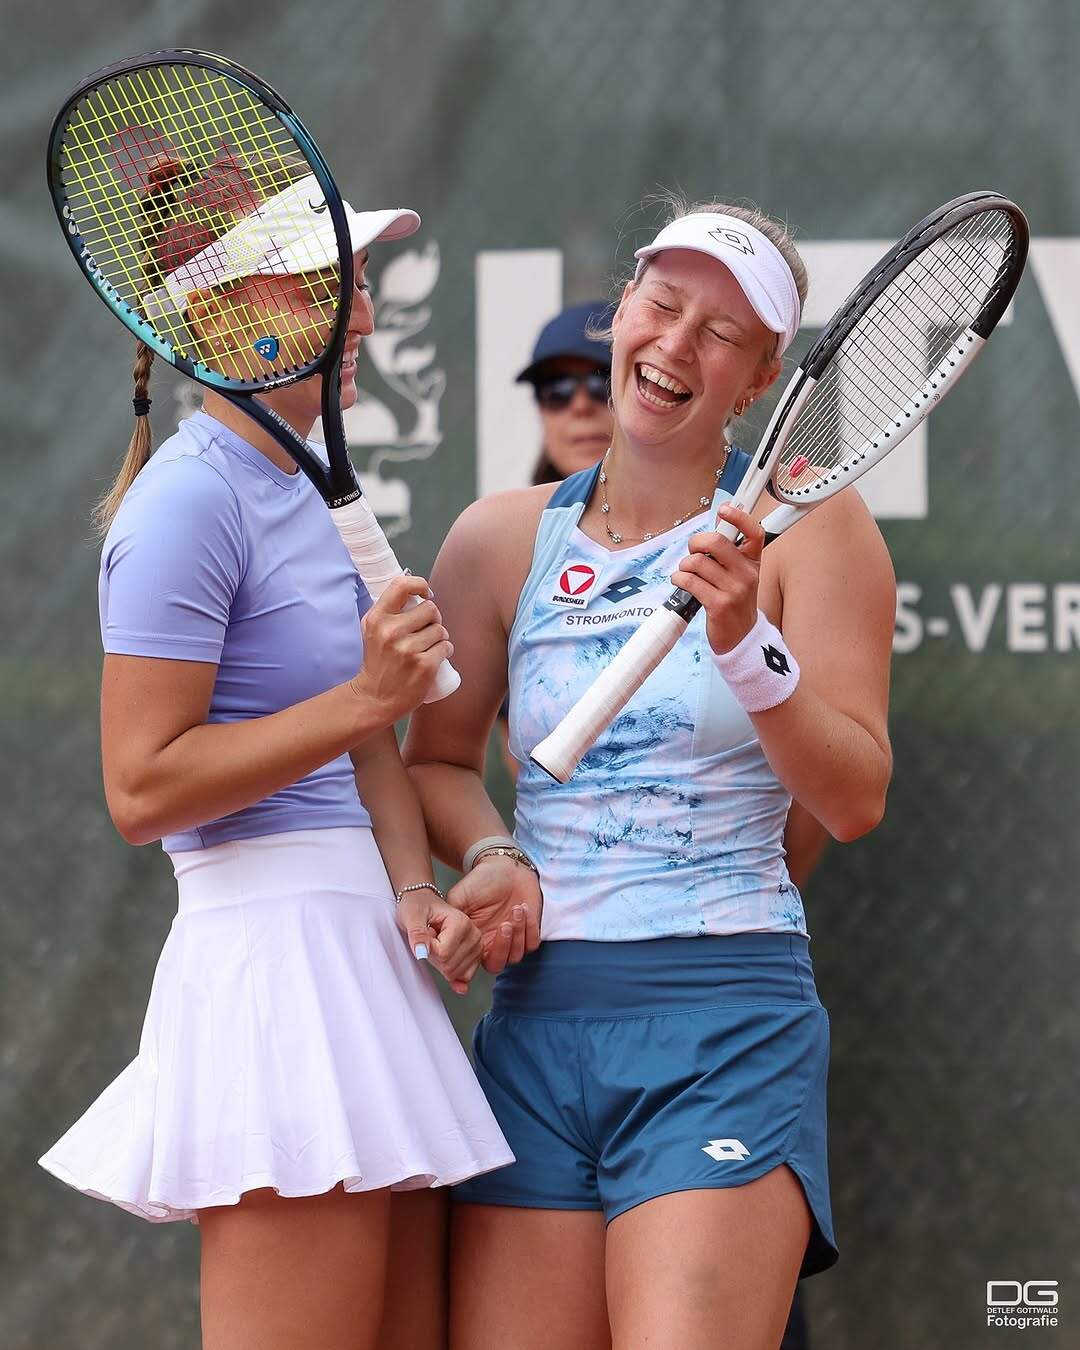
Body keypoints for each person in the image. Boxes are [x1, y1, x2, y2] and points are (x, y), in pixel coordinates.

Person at [39, 154, 513, 1350]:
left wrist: (417, 887)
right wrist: (366, 695)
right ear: (214, 313)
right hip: (271, 976)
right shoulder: (185, 505)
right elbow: (142, 788)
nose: (359, 311)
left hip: (364, 957)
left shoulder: (306, 484)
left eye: (354, 282)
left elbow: (366, 752)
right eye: (318, 285)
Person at [404, 195, 895, 1350]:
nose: (675, 346)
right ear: (624, 309)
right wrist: (492, 851)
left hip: (722, 1016)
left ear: (763, 375)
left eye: (720, 334)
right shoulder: (497, 539)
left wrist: (747, 650)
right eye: (662, 306)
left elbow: (855, 795)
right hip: (537, 1026)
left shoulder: (816, 533)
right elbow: (434, 760)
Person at [516, 300, 616, 484]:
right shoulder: (509, 512)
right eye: (557, 390)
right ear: (540, 409)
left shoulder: (685, 509)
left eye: (603, 382)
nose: (581, 405)